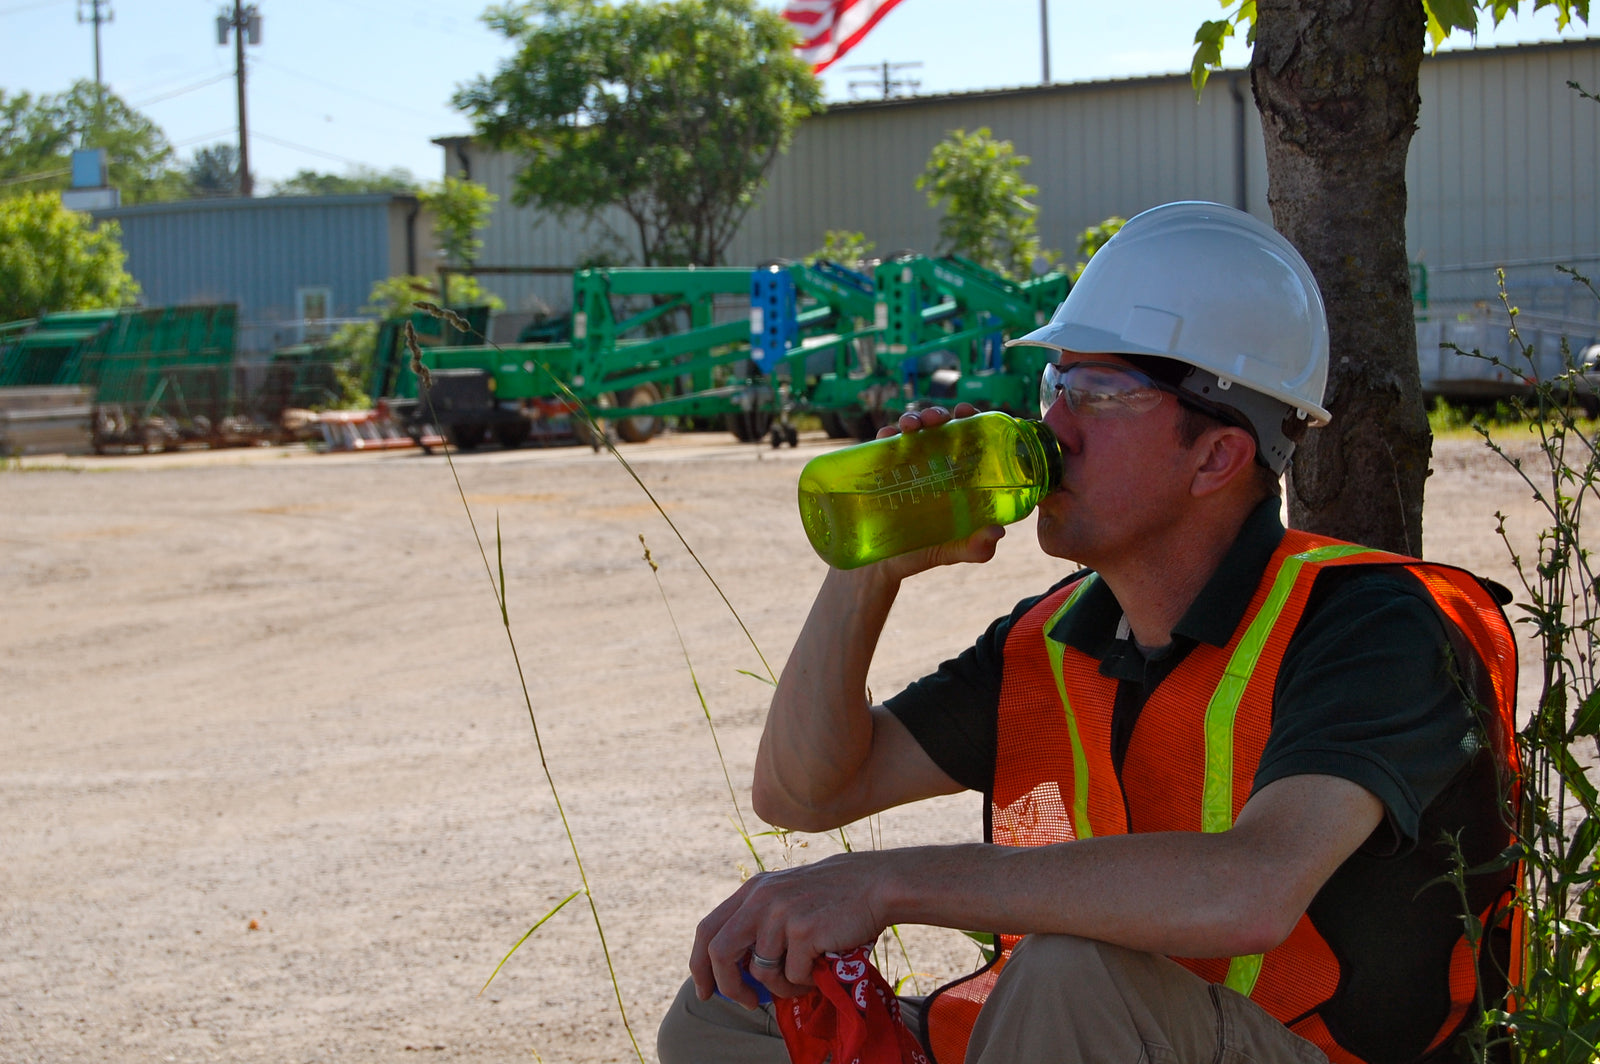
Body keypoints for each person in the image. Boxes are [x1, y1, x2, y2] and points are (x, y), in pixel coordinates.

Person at [657, 202, 1519, 1064]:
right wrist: (868, 570)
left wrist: (886, 883)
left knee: (1068, 976)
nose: (1052, 428)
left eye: (1098, 394)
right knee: (725, 1012)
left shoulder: (1374, 624)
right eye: (1054, 387)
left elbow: (1251, 888)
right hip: (1083, 1037)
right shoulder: (1060, 635)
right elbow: (803, 795)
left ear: (1216, 457)